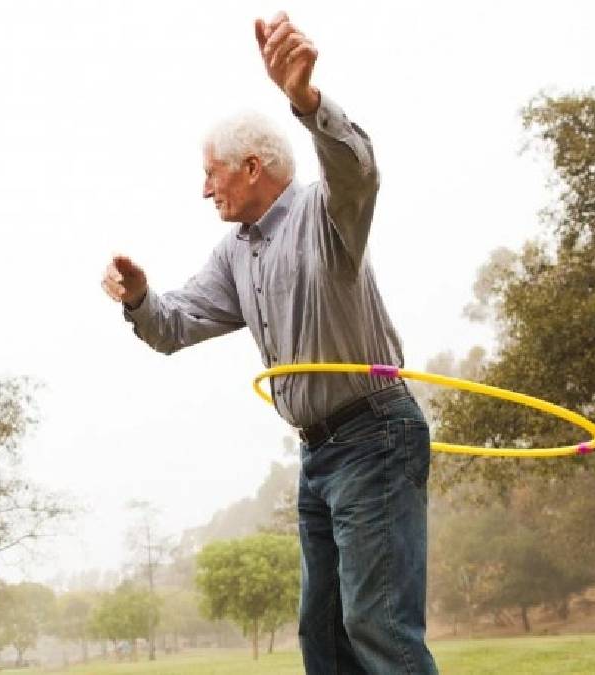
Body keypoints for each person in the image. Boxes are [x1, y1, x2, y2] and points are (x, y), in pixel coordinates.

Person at [101, 12, 437, 675]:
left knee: (376, 625)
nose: (204, 188)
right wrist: (140, 297)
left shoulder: (325, 212)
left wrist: (306, 102)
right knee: (324, 634)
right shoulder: (235, 254)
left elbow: (359, 171)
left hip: (374, 436)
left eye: (212, 173)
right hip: (318, 454)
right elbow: (174, 324)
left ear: (252, 167)